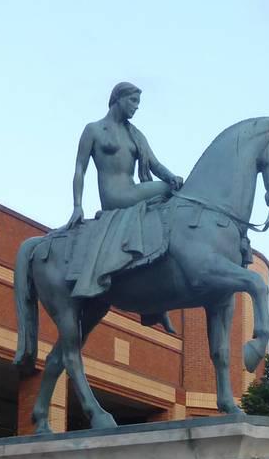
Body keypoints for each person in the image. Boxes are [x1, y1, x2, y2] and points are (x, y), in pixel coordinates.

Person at [67, 82, 184, 332]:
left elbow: (155, 165)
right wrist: (77, 205)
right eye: (133, 101)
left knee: (170, 192)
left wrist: (172, 176)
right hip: (116, 196)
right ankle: (156, 303)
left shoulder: (135, 135)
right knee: (166, 192)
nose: (135, 108)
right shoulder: (94, 130)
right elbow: (80, 169)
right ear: (118, 98)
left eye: (138, 104)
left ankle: (153, 290)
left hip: (134, 192)